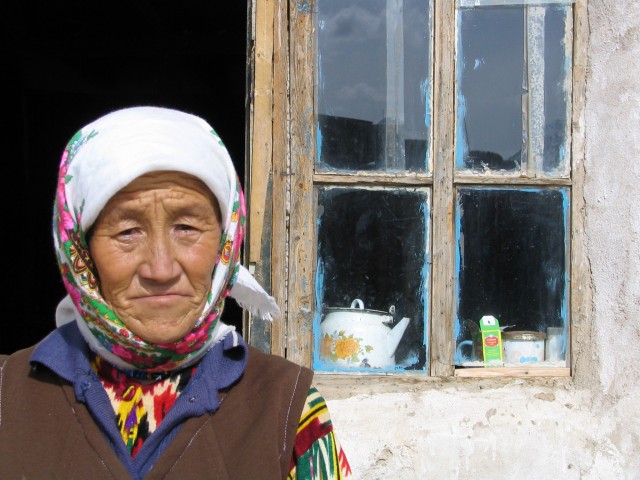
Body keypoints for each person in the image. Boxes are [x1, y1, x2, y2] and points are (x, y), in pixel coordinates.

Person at [0, 106, 352, 479]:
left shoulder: (290, 414)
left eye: (186, 227)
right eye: (127, 232)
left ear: (226, 242)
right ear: (81, 251)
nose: (161, 269)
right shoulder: (8, 397)